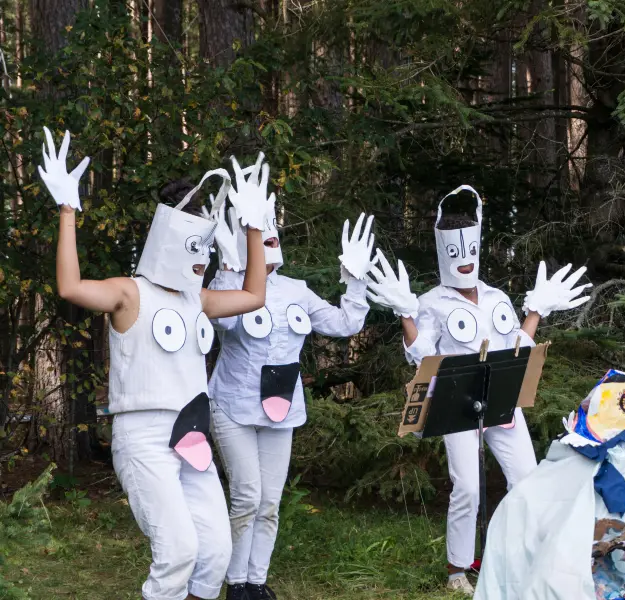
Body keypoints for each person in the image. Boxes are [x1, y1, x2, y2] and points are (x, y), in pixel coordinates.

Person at [38, 126, 273, 600]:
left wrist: (253, 227)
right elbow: (70, 288)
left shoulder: (197, 300)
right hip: (144, 435)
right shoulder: (129, 292)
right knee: (179, 551)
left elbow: (253, 295)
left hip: (192, 435)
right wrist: (67, 212)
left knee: (214, 553)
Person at [366, 184, 592, 595]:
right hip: (457, 404)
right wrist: (406, 314)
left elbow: (514, 352)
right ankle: (458, 569)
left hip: (501, 401)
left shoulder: (496, 297)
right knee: (467, 485)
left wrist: (536, 312)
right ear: (443, 252)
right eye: (454, 252)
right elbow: (422, 358)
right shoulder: (431, 302)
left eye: (468, 249)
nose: (463, 261)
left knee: (526, 476)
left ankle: (520, 554)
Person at [203, 162, 376, 600]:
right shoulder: (228, 284)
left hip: (281, 405)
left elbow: (342, 324)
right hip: (234, 406)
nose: (269, 238)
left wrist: (355, 282)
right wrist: (230, 264)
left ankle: (256, 581)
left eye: (270, 229)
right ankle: (234, 583)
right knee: (245, 496)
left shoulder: (297, 289)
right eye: (258, 230)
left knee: (270, 501)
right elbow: (222, 326)